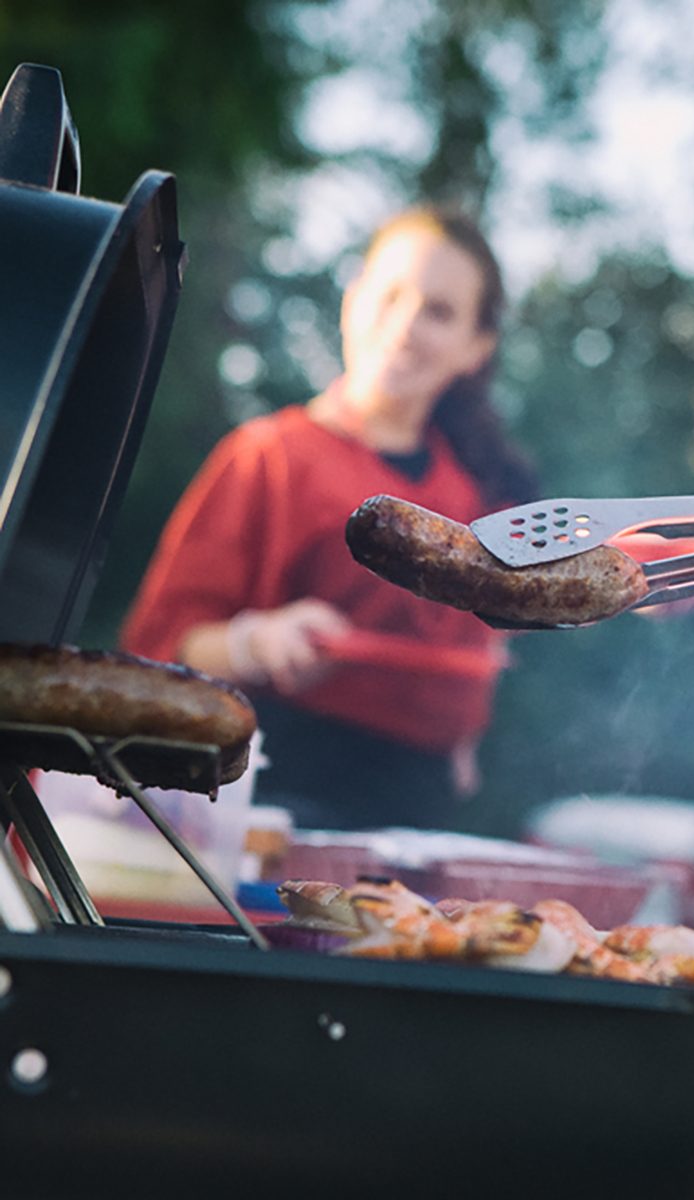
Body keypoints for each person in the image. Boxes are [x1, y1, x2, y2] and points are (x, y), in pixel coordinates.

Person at [121, 205, 539, 831]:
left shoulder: (479, 496)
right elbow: (152, 651)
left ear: (475, 350)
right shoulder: (268, 457)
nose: (406, 325)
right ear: (353, 302)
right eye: (391, 295)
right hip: (265, 796)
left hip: (417, 815)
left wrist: (463, 732)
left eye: (440, 311)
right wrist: (256, 641)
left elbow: (478, 658)